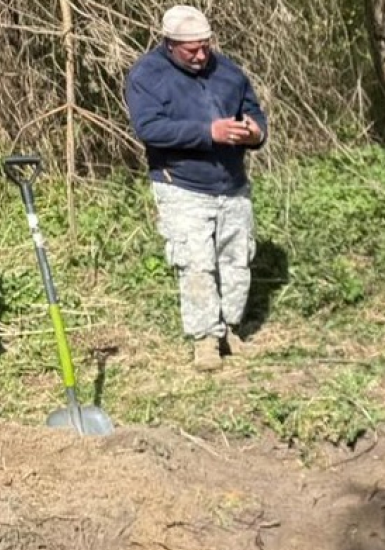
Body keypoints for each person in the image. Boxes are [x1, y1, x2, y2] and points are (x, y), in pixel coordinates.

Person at [123, 5, 268, 372]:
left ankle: (229, 330)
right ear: (169, 43)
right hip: (182, 185)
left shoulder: (229, 71)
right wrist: (209, 133)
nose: (202, 55)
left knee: (237, 261)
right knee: (198, 265)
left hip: (232, 183)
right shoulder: (146, 75)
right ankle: (205, 340)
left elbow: (254, 113)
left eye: (205, 46)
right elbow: (149, 129)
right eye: (192, 50)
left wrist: (255, 132)